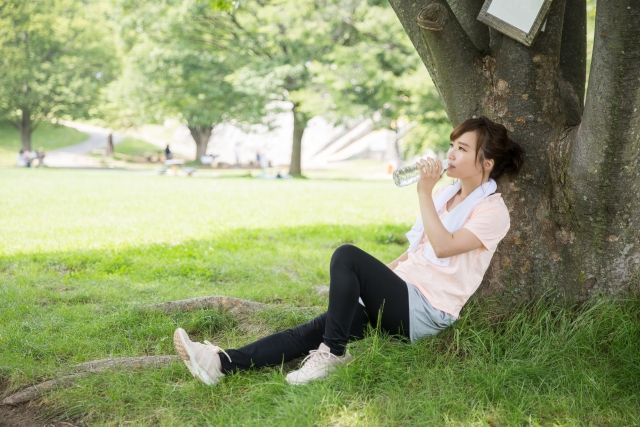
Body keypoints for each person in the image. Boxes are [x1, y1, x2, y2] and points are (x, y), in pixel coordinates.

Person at [173, 116, 524, 386]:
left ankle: (333, 355)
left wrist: (423, 192)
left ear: (487, 162)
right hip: (401, 294)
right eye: (452, 145)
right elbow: (414, 254)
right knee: (313, 331)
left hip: (425, 312)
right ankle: (221, 364)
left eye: (462, 148)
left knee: (346, 255)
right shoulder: (449, 196)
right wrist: (366, 284)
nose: (451, 153)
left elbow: (444, 247)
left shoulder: (492, 211)